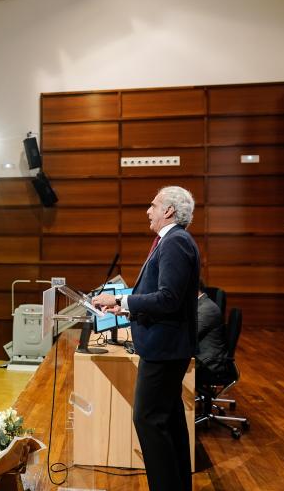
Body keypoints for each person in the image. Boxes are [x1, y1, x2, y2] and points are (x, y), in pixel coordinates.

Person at [91, 185, 200, 491]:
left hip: (164, 349)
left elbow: (168, 299)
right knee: (169, 419)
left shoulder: (175, 242)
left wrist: (123, 303)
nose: (148, 211)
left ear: (168, 211)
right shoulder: (172, 241)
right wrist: (126, 307)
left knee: (149, 420)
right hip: (166, 345)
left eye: (154, 205)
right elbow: (163, 298)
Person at [196, 280, 227, 383]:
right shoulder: (199, 305)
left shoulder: (207, 309)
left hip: (207, 364)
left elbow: (189, 335)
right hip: (199, 358)